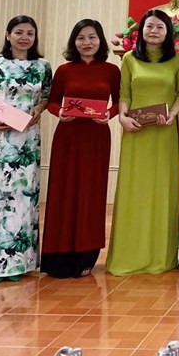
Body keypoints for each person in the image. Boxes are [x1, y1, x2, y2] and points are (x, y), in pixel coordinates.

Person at [0, 15, 51, 285]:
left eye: (30, 33)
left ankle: (19, 264)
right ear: (8, 35)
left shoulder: (43, 66)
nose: (24, 37)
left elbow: (47, 97)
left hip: (26, 139)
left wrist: (38, 109)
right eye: (19, 32)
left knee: (22, 198)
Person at [107, 9, 179, 275]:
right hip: (136, 132)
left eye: (159, 27)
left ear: (168, 32)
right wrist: (123, 117)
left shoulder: (177, 60)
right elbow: (125, 94)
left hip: (164, 133)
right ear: (141, 30)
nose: (154, 31)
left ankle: (160, 256)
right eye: (149, 26)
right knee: (134, 189)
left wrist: (173, 114)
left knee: (161, 189)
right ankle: (129, 255)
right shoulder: (129, 58)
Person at [42, 19, 120, 278]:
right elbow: (52, 102)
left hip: (97, 137)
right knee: (63, 190)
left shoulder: (111, 71)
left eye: (92, 37)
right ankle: (58, 256)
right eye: (81, 38)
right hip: (68, 137)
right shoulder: (64, 70)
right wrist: (59, 113)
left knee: (91, 191)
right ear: (73, 42)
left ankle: (86, 255)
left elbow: (120, 102)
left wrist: (109, 114)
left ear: (100, 40)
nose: (87, 42)